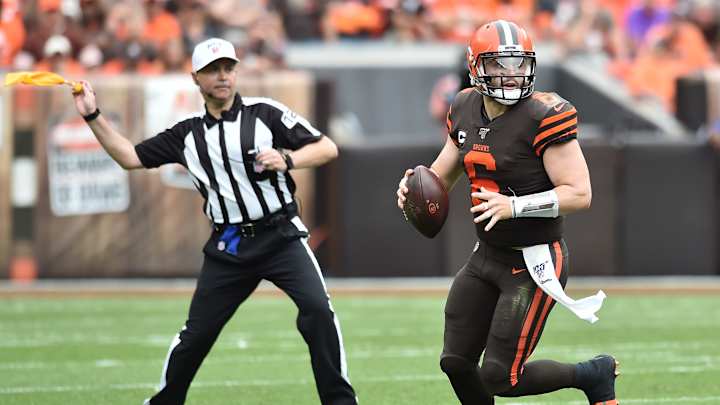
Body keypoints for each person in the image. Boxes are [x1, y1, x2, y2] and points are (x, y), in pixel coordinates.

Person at [71, 37, 358, 405]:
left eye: (228, 68)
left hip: (281, 236)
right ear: (195, 78)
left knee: (318, 310)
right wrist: (92, 116)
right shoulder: (186, 133)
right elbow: (129, 157)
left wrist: (287, 159)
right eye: (212, 70)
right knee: (197, 335)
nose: (222, 76)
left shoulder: (264, 113)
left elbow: (326, 147)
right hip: (231, 245)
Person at [396, 20, 619, 405]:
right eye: (499, 64)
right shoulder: (464, 106)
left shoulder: (544, 115)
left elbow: (580, 193)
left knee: (500, 377)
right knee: (455, 361)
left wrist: (515, 206)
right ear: (475, 66)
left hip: (533, 259)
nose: (511, 73)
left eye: (519, 63)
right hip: (487, 254)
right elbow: (441, 175)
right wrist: (414, 188)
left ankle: (592, 374)